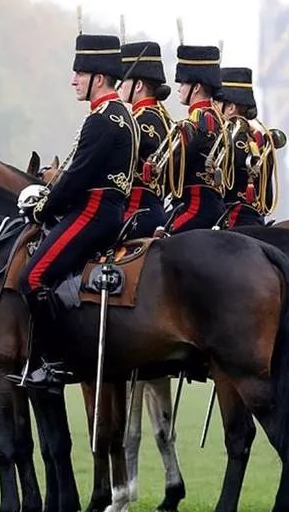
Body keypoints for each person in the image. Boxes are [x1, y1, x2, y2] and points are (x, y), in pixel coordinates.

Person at [14, 33, 137, 390]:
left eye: (79, 74)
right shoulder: (121, 115)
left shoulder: (100, 120)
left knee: (32, 278)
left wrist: (41, 209)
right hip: (107, 208)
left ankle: (54, 363)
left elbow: (77, 180)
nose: (73, 81)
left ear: (98, 78)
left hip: (94, 211)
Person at [170, 43, 227, 232]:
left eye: (183, 83)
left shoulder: (200, 120)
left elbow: (176, 165)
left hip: (196, 208)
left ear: (196, 88)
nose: (179, 88)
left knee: (157, 245)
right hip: (214, 207)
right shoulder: (218, 119)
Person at [118, 40, 172, 237]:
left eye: (124, 80)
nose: (120, 85)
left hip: (135, 212)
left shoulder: (137, 121)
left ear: (138, 85)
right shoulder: (164, 119)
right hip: (157, 210)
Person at [215, 67, 276, 227]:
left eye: (217, 102)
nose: (213, 106)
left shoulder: (224, 139)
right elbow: (267, 198)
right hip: (257, 220)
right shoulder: (262, 141)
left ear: (231, 108)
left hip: (230, 221)